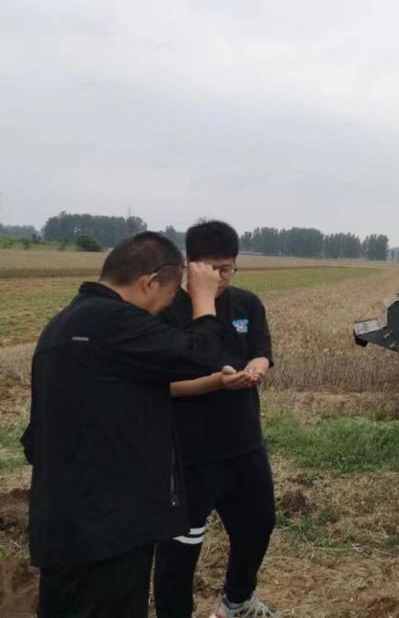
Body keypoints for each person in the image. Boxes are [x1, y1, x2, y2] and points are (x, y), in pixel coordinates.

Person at [22, 231, 234, 617]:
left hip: (66, 523)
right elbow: (201, 354)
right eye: (169, 297)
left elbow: (35, 438)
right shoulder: (113, 322)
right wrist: (204, 300)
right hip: (106, 531)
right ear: (149, 282)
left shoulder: (65, 323)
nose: (162, 311)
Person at [153, 221, 279, 618]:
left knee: (258, 524)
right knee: (181, 544)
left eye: (230, 268)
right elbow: (161, 384)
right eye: (214, 269)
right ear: (191, 266)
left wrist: (257, 368)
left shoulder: (247, 304)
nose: (223, 278)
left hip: (243, 441)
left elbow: (261, 350)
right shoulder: (165, 309)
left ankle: (237, 600)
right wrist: (214, 383)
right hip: (188, 451)